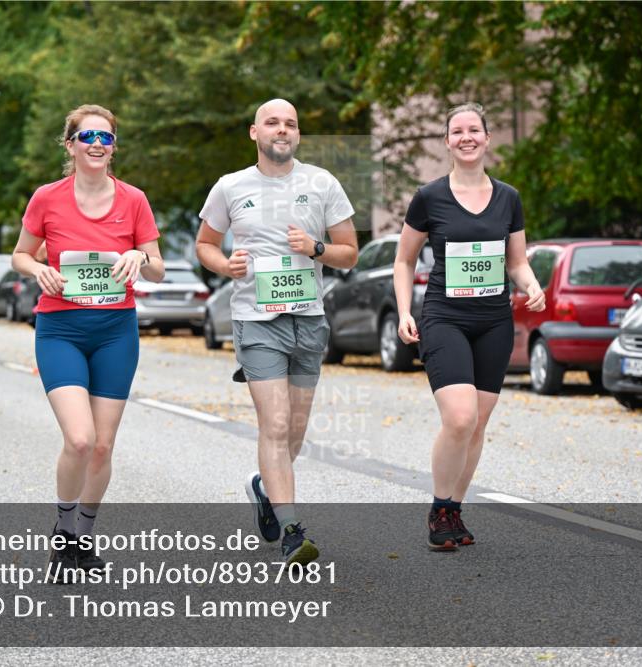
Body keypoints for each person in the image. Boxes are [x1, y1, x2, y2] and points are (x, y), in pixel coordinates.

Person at [196, 99, 358, 565]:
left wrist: (316, 247)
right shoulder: (230, 187)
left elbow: (350, 252)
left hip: (309, 319)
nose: (281, 130)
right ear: (255, 133)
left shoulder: (322, 183)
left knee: (296, 434)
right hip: (256, 319)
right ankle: (292, 531)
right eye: (272, 123)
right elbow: (206, 244)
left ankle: (264, 488)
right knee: (277, 423)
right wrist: (226, 264)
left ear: (298, 135)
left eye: (290, 124)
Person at [11, 104, 164, 580]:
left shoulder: (134, 200)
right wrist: (37, 268)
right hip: (61, 330)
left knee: (103, 447)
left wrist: (139, 256)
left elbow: (158, 266)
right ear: (71, 144)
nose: (97, 145)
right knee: (80, 439)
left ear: (113, 146)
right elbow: (20, 254)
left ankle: (84, 539)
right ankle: (62, 532)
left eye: (106, 138)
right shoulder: (47, 198)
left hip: (116, 331)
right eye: (88, 137)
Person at [393, 103, 545, 551]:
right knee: (459, 418)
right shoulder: (429, 196)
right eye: (457, 131)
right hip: (444, 317)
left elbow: (516, 262)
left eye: (473, 130)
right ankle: (439, 508)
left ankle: (454, 511)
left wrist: (532, 286)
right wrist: (404, 311)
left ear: (486, 137)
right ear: (447, 141)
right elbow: (403, 260)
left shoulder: (508, 198)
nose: (466, 137)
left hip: (495, 320)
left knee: (477, 424)